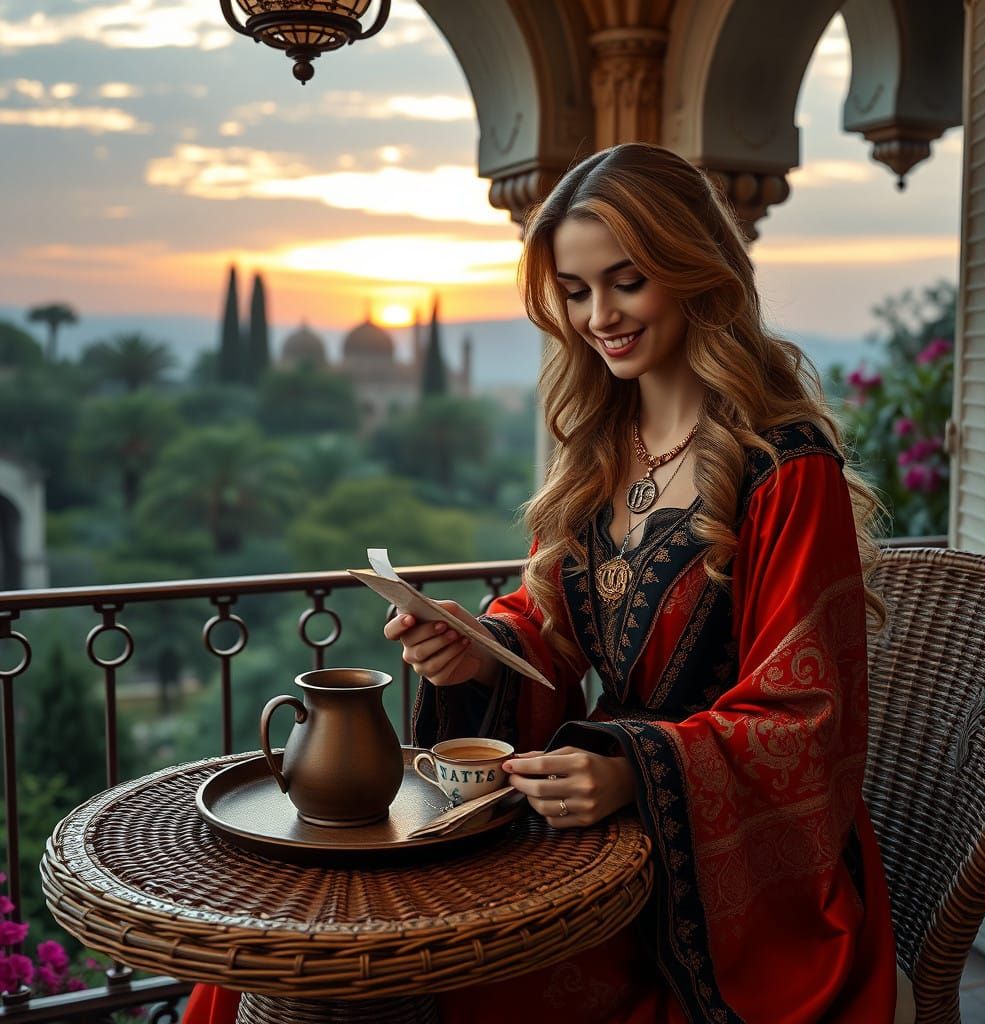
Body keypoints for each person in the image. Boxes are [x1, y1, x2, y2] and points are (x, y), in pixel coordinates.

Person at [183, 142, 898, 1024]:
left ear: (695, 270)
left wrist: (636, 771)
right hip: (588, 827)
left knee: (425, 969)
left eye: (627, 281)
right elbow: (547, 630)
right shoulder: (598, 448)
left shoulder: (787, 470)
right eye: (575, 290)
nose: (600, 316)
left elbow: (806, 718)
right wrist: (479, 651)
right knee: (285, 942)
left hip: (729, 888)